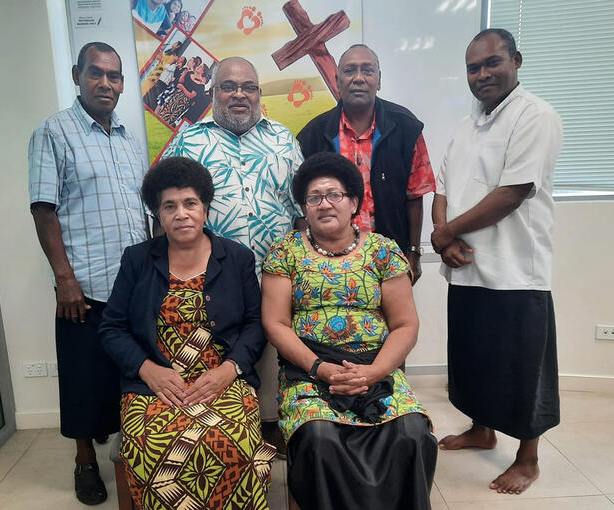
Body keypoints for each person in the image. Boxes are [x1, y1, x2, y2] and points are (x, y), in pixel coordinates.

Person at [261, 152, 437, 510]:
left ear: (354, 202)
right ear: (304, 207)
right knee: (319, 436)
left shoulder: (383, 251)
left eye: (334, 195)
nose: (324, 204)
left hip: (377, 366)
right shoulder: (284, 252)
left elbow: (406, 325)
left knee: (412, 432)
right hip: (310, 371)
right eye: (314, 197)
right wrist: (320, 369)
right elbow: (275, 323)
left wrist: (375, 371)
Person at [98, 157, 276, 510]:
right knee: (152, 447)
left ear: (205, 208)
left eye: (190, 203)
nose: (181, 213)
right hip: (156, 385)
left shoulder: (237, 257)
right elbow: (112, 328)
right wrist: (148, 370)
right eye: (170, 206)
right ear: (158, 215)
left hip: (222, 379)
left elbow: (256, 325)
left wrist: (229, 370)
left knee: (232, 442)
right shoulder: (136, 260)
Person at [432, 28, 563, 495]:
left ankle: (528, 458)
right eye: (473, 67)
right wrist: (443, 239)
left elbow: (513, 192)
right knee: (472, 357)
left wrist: (446, 232)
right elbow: (442, 188)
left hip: (515, 272)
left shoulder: (535, 116)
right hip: (467, 268)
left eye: (492, 63)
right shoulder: (467, 125)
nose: (483, 73)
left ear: (516, 61)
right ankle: (481, 429)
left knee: (522, 365)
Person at [161, 56, 303, 452]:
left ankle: (273, 422)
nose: (239, 94)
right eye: (229, 86)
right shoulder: (187, 142)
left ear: (258, 93)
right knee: (226, 349)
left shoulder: (283, 140)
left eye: (249, 87)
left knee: (277, 348)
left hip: (277, 273)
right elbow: (168, 213)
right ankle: (234, 422)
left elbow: (302, 212)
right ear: (213, 92)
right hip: (213, 277)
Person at [28, 42, 147, 505]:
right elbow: (43, 209)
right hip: (85, 284)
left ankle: (126, 448)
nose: (106, 83)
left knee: (126, 374)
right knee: (83, 377)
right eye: (96, 73)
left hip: (133, 284)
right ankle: (84, 461)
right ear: (78, 76)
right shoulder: (53, 133)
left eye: (114, 76)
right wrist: (64, 278)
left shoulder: (126, 137)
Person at [297, 44, 436, 285]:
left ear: (378, 80)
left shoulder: (406, 128)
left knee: (393, 323)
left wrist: (413, 252)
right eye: (350, 71)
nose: (358, 78)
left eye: (367, 71)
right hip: (329, 261)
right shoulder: (313, 135)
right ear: (337, 80)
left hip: (389, 259)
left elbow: (415, 196)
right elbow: (303, 206)